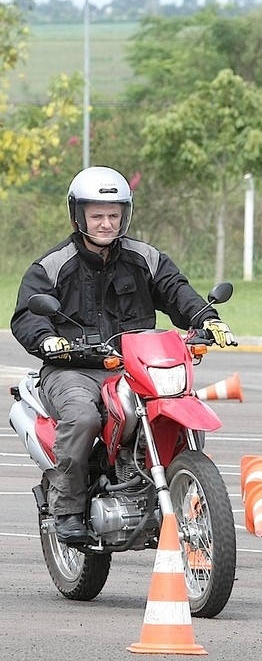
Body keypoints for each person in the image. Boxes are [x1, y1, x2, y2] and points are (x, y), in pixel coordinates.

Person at [11, 166, 237, 545]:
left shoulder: (145, 258)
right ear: (78, 214)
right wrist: (49, 340)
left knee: (178, 403)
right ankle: (67, 507)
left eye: (113, 214)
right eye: (97, 215)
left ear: (125, 215)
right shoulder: (52, 266)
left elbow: (177, 292)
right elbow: (26, 317)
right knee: (83, 417)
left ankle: (176, 488)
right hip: (75, 367)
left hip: (134, 365)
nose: (105, 223)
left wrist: (207, 320)